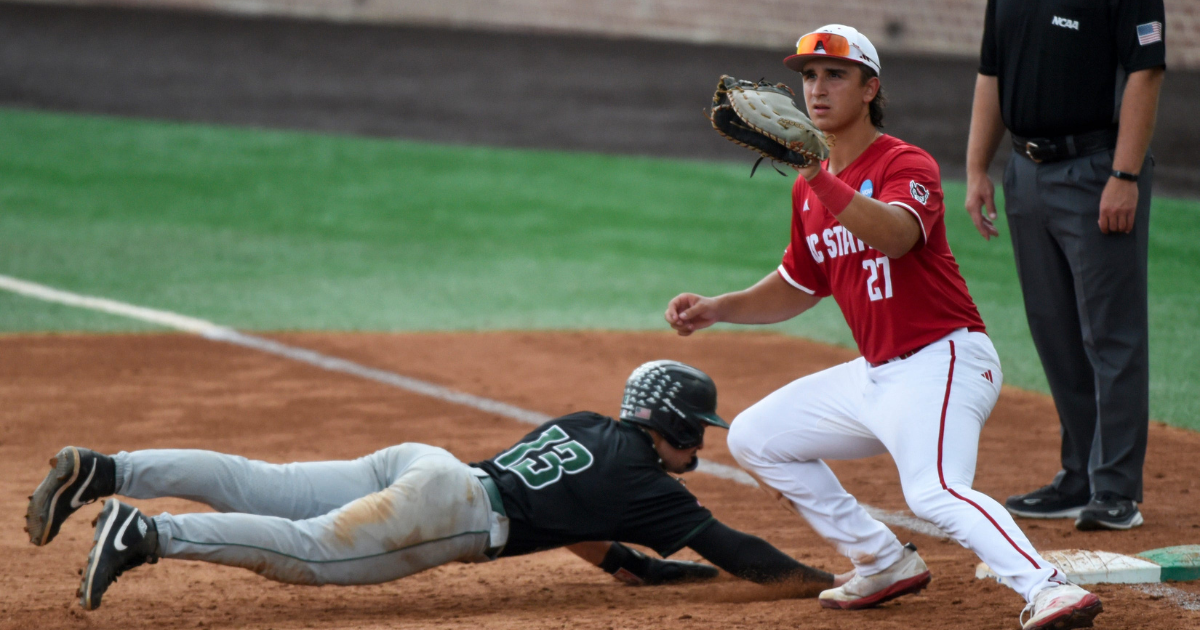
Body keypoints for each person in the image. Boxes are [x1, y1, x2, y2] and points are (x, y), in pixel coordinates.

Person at [666, 25, 1102, 630]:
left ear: (870, 89)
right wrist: (720, 306)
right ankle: (880, 558)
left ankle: (1048, 588)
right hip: (876, 377)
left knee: (934, 491)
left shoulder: (904, 163)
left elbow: (897, 236)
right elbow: (798, 284)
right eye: (809, 76)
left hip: (944, 361)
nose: (816, 89)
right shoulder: (806, 189)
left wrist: (820, 175)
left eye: (835, 75)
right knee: (756, 437)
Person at [25, 360, 840, 611]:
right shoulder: (652, 488)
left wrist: (635, 570)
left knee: (260, 483)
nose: (700, 446)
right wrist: (822, 584)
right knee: (311, 556)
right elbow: (735, 550)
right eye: (699, 431)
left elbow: (577, 521)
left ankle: (110, 471)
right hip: (448, 510)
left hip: (424, 464)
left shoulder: (589, 424)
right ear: (681, 426)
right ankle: (147, 533)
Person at [965, 0, 1165, 532]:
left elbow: (1147, 73)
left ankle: (1115, 488)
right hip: (1026, 172)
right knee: (1054, 330)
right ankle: (1079, 476)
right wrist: (976, 167)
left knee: (1111, 335)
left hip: (1097, 171)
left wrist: (1124, 175)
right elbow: (991, 72)